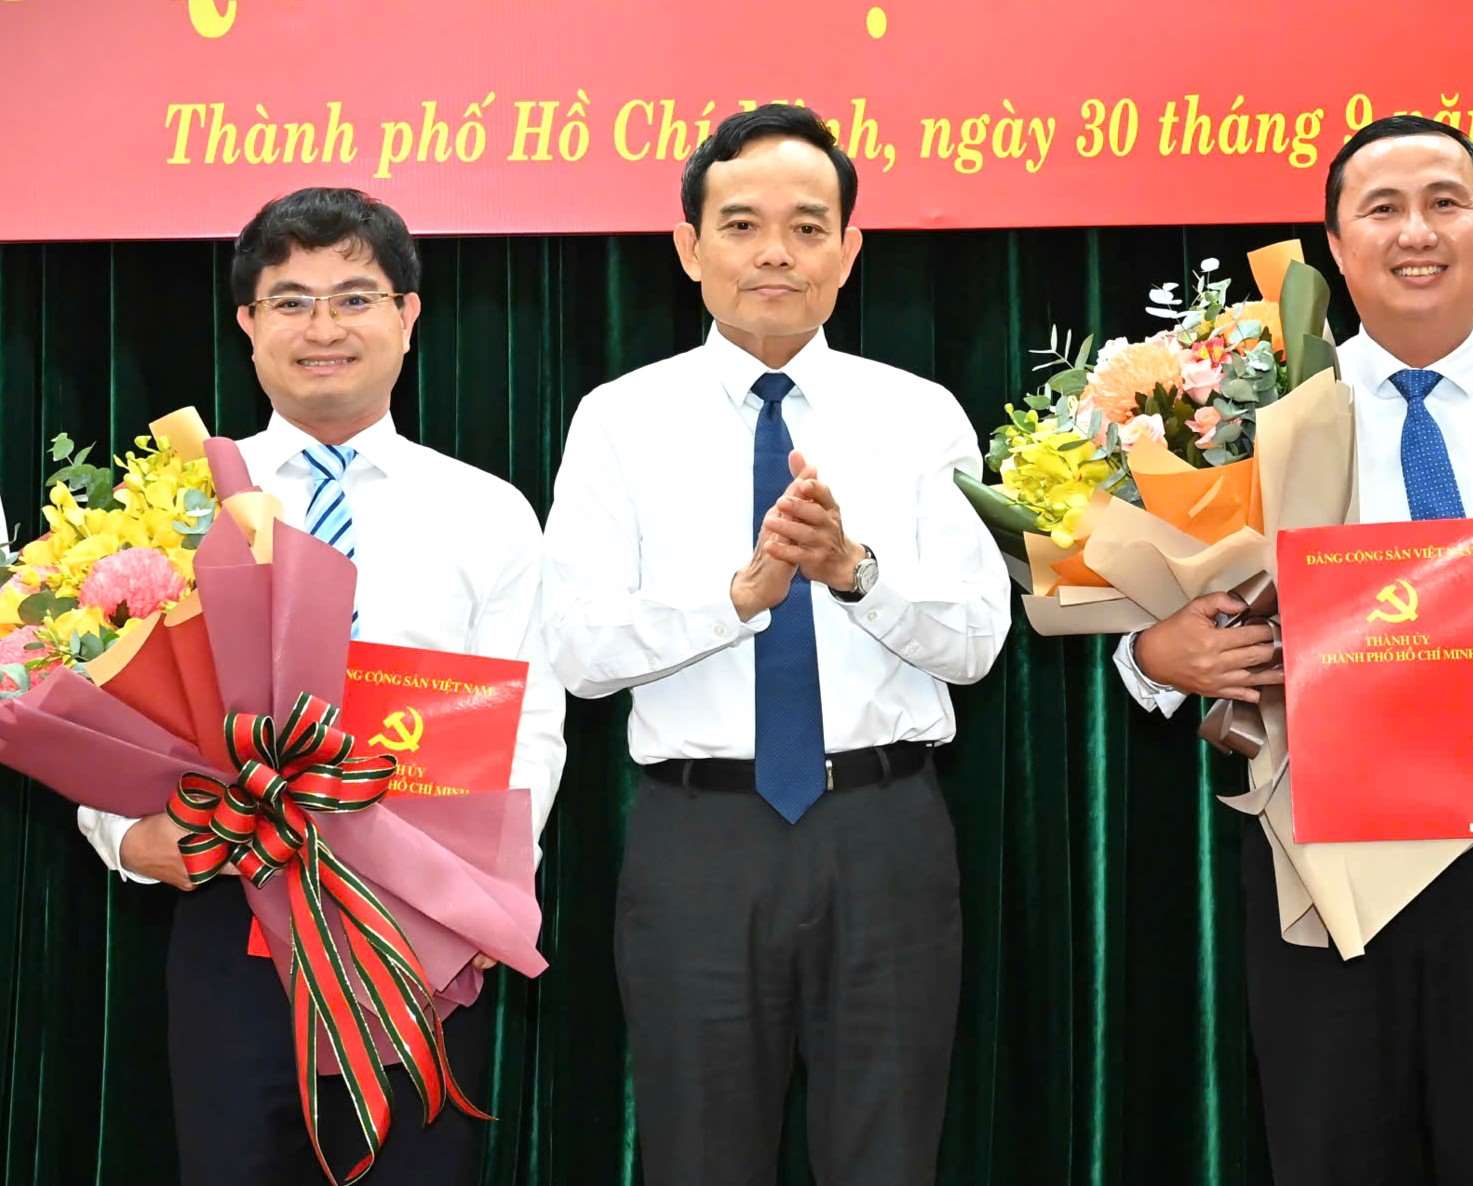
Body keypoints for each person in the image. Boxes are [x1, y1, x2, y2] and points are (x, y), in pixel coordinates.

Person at [1117, 113, 1473, 1185]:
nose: (1418, 232)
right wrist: (1154, 658)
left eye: (1446, 203)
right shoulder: (1250, 419)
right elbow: (1157, 609)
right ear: (1333, 243)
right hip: (1317, 856)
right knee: (1329, 1151)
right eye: (1383, 208)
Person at [543, 105, 1010, 1185]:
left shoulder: (921, 414)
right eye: (742, 224)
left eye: (809, 227)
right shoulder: (619, 419)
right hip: (697, 842)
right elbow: (577, 648)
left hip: (884, 834)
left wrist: (854, 571)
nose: (774, 253)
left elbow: (980, 640)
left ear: (849, 251)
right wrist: (741, 595)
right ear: (689, 247)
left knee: (888, 1154)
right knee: (700, 1153)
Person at [76, 187, 566, 1186]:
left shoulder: (488, 513)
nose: (324, 328)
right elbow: (98, 704)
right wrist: (125, 838)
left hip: (415, 922)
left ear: (408, 314)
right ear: (248, 323)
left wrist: (469, 888)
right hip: (227, 900)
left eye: (354, 297)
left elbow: (534, 721)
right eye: (291, 301)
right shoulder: (176, 503)